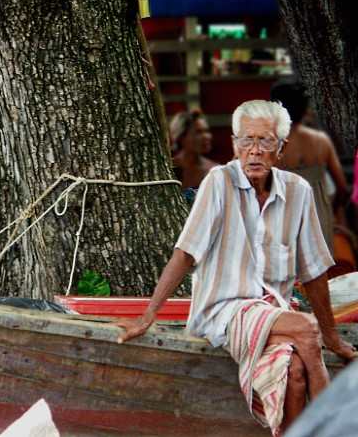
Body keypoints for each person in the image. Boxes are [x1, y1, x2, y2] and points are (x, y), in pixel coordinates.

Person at [117, 100, 357, 436]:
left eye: (265, 141)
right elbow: (185, 254)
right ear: (234, 144)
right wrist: (148, 315)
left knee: (295, 372)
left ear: (281, 148)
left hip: (272, 309)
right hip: (224, 310)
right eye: (246, 141)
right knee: (308, 330)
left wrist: (331, 332)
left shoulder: (298, 191)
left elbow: (314, 272)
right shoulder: (219, 182)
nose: (254, 151)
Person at [270, 80, 350, 254]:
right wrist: (331, 212)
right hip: (319, 221)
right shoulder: (321, 141)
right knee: (319, 276)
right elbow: (342, 188)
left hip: (280, 223)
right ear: (305, 109)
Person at [170, 108, 218, 188]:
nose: (206, 136)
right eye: (198, 132)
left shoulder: (214, 170)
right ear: (181, 137)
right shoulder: (170, 168)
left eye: (206, 131)